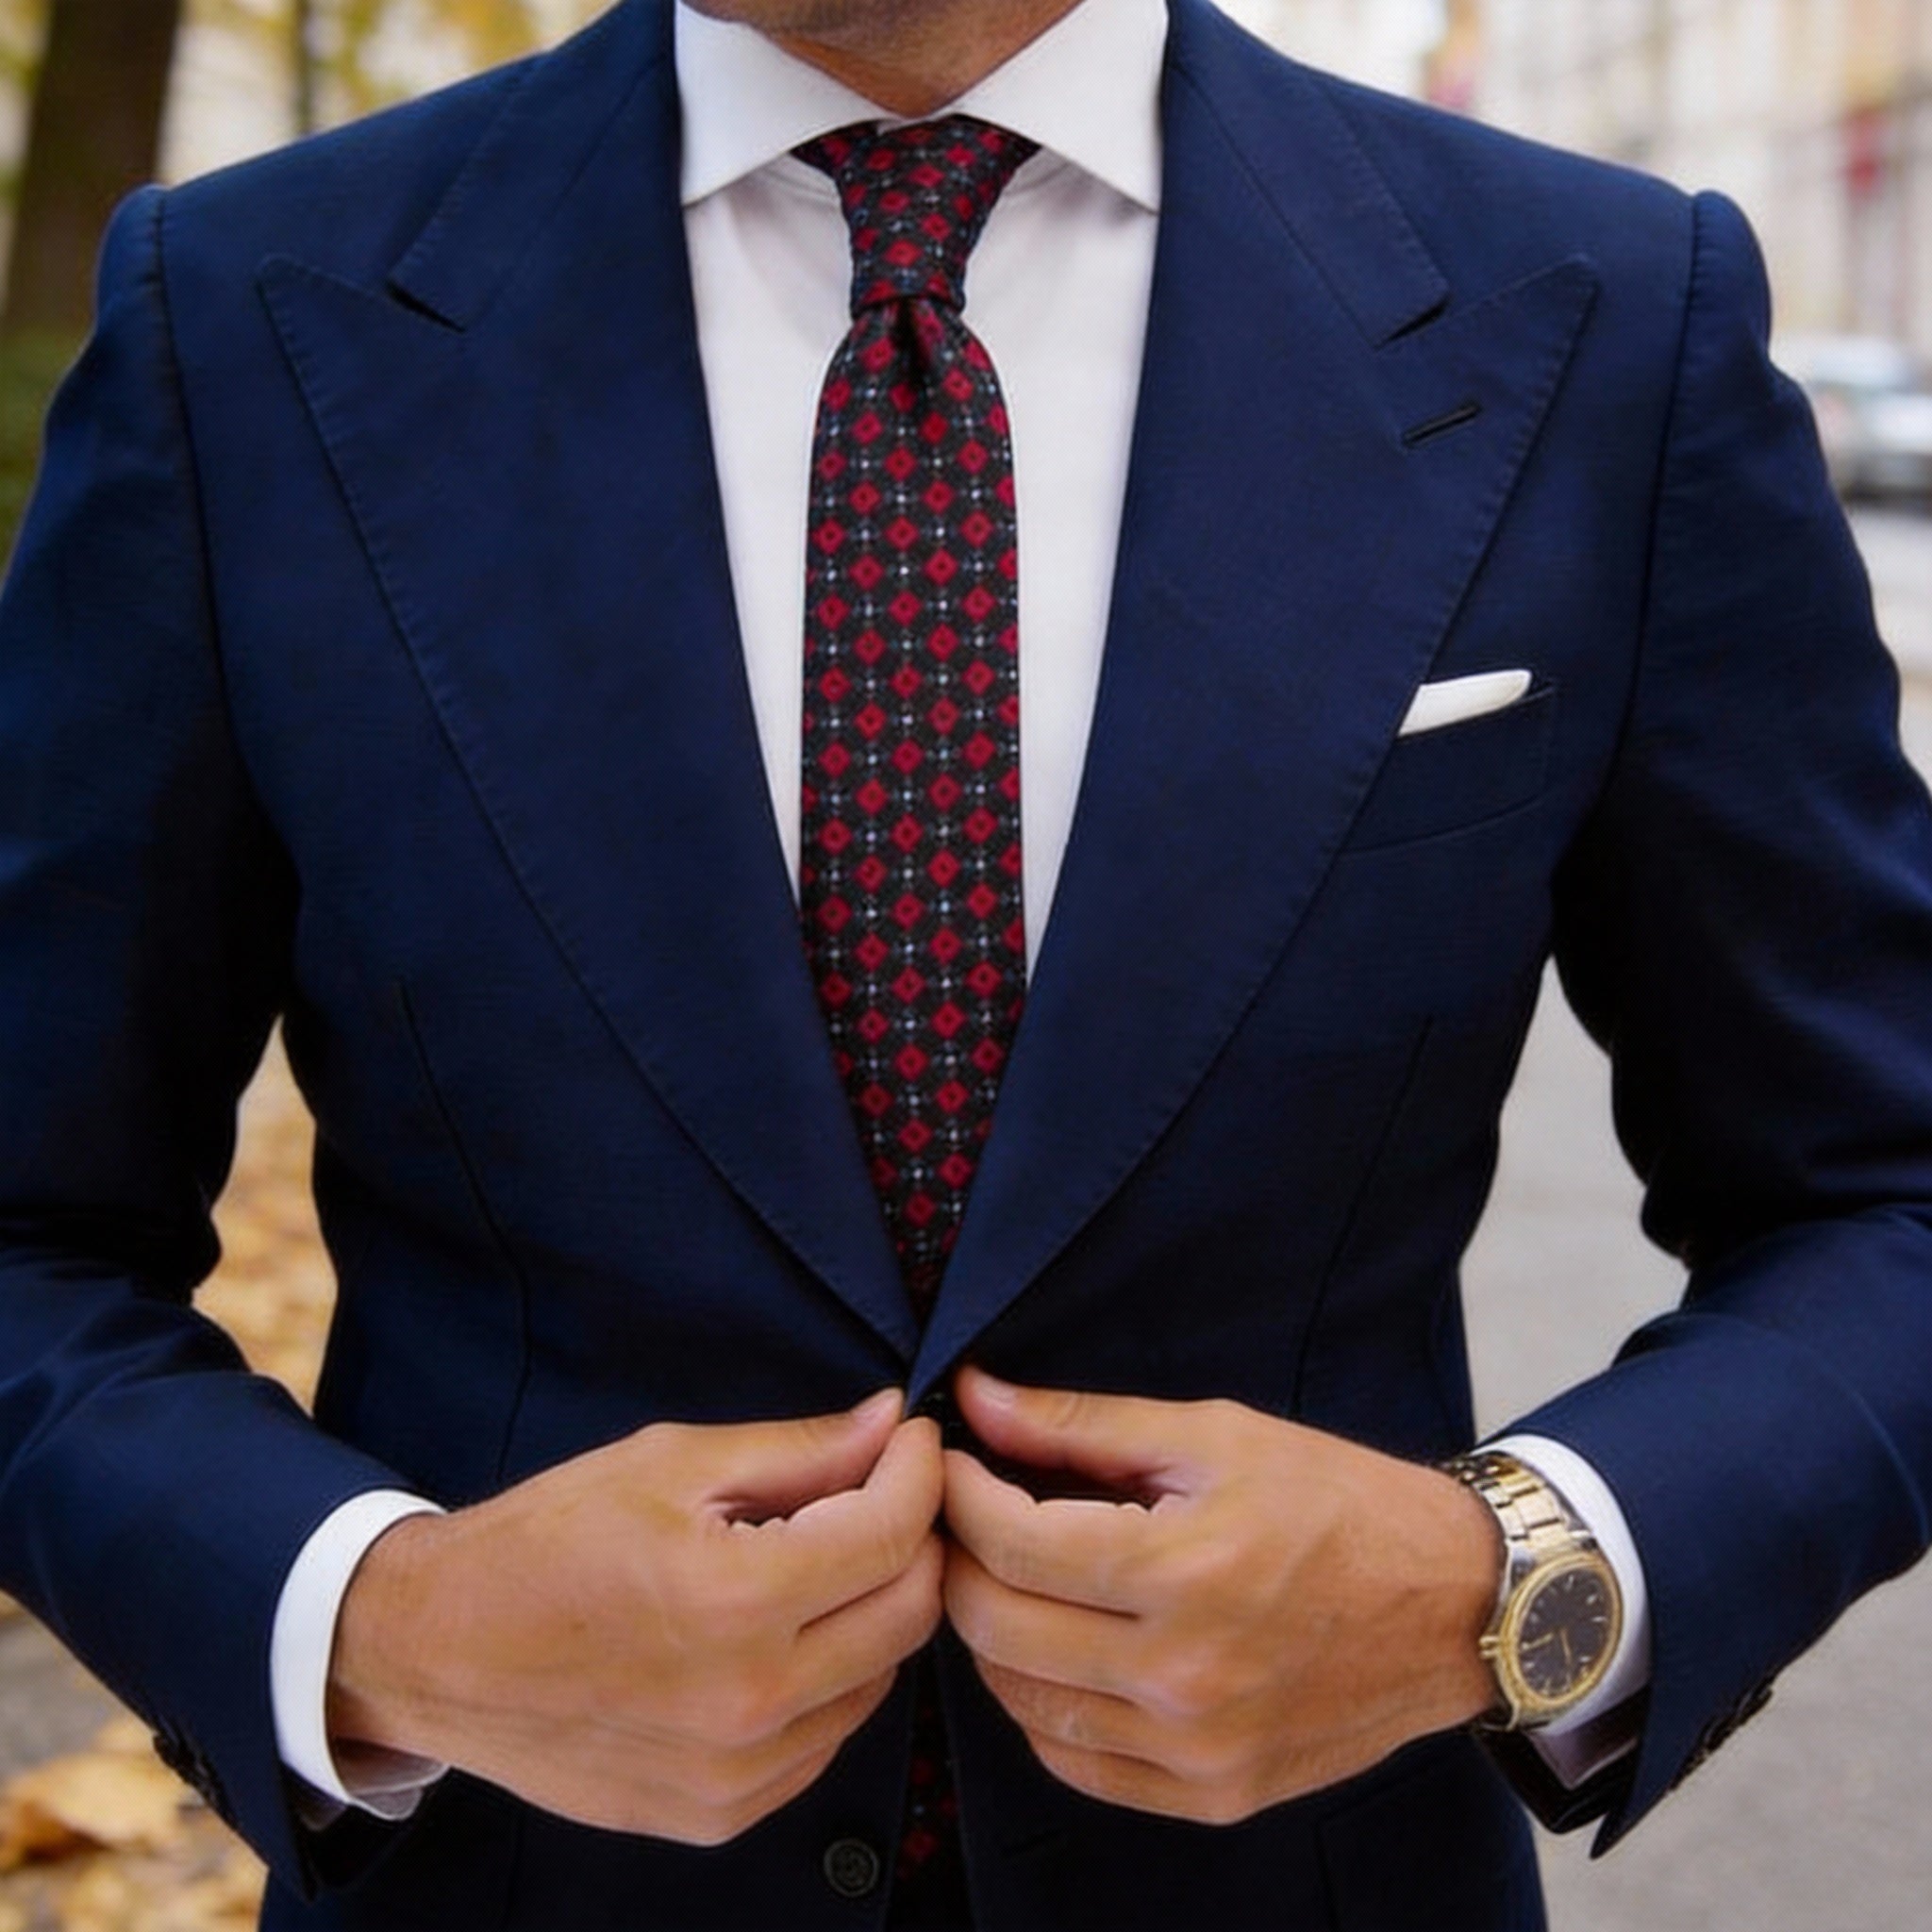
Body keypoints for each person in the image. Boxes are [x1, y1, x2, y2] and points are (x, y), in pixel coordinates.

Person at [1, 0, 1929, 1925]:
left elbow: (1881, 1193)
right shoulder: (241, 318)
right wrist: (376, 1620)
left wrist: (1497, 1583)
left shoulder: (1596, 311)